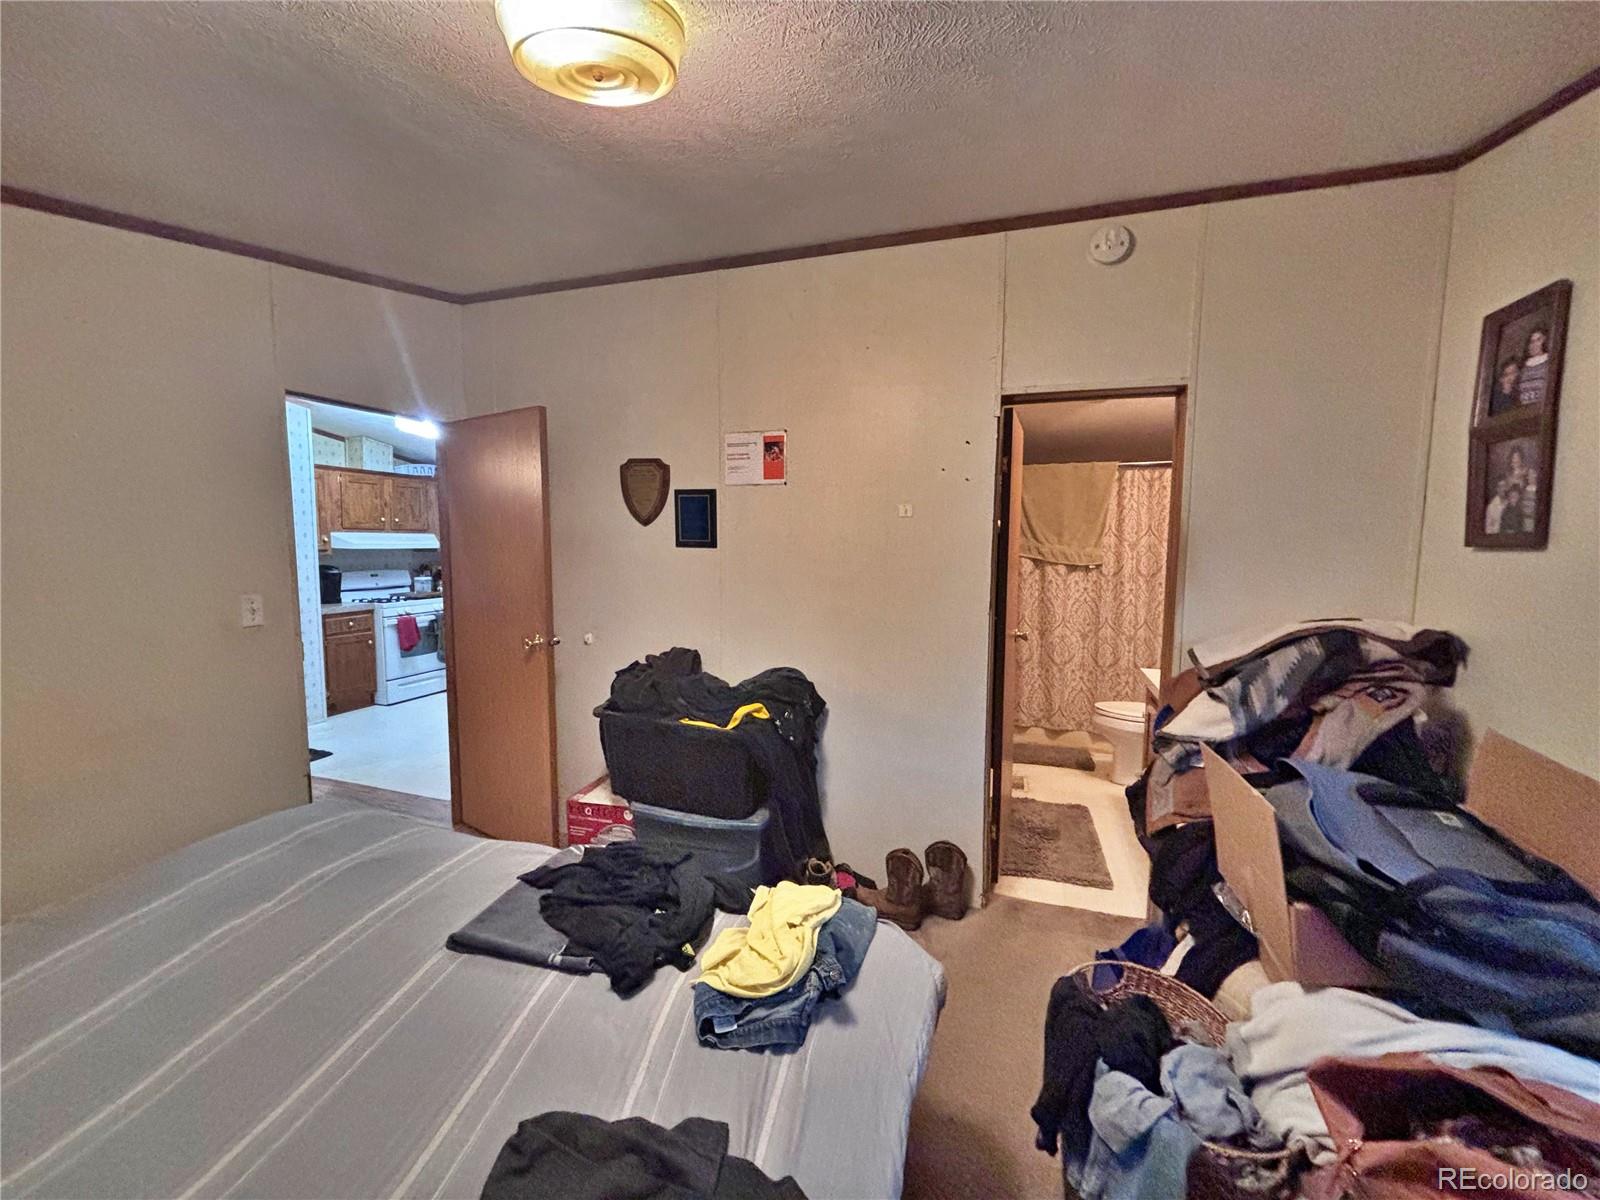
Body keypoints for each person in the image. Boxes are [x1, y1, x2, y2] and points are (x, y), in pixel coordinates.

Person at [1518, 325, 1550, 406]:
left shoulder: (1548, 362)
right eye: (1532, 341)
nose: (1534, 344)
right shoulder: (1523, 366)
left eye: (1538, 340)